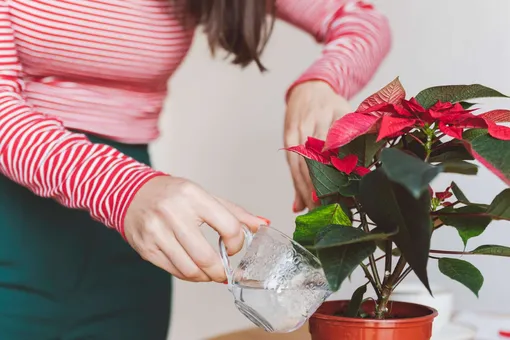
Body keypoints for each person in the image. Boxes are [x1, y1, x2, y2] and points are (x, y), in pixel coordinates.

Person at [0, 0, 390, 338]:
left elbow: (361, 20)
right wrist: (123, 190)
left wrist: (321, 83)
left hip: (130, 235)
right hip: (31, 216)